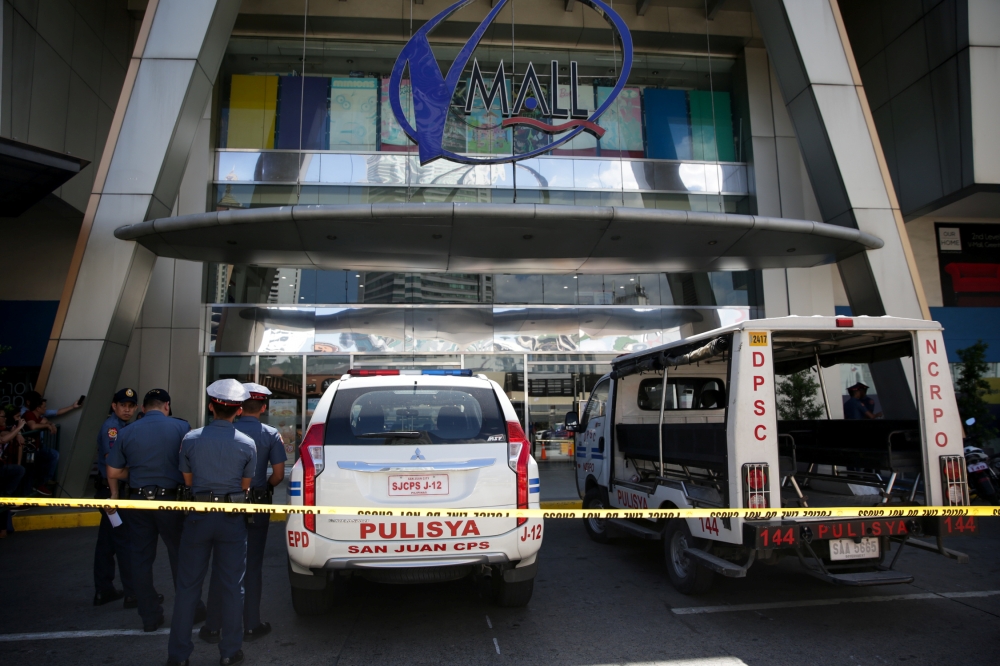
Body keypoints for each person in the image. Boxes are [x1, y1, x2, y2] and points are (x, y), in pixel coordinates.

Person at [167, 379, 256, 666]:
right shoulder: (247, 443)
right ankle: (230, 652)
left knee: (188, 587)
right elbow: (245, 486)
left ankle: (178, 656)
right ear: (239, 411)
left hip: (198, 516)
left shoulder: (191, 439)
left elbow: (188, 480)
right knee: (232, 586)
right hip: (231, 518)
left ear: (210, 406)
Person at [106, 389, 204, 632]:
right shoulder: (182, 428)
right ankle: (190, 611)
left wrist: (129, 482)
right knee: (180, 556)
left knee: (140, 558)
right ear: (167, 406)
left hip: (138, 502)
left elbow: (114, 472)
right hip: (170, 501)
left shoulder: (127, 432)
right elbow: (191, 467)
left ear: (143, 408)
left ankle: (149, 616)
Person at [200, 382, 286, 644]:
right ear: (264, 407)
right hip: (257, 504)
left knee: (222, 565)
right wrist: (265, 489)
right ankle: (251, 623)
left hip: (225, 505)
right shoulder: (271, 434)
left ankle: (213, 625)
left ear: (237, 406)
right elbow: (279, 475)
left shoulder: (226, 429)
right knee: (253, 566)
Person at [92, 388, 138, 608]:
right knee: (124, 541)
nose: (127, 409)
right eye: (123, 405)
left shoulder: (123, 426)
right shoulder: (113, 428)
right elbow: (112, 463)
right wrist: (115, 495)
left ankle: (104, 589)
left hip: (110, 491)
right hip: (113, 491)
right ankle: (132, 593)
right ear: (114, 406)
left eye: (130, 406)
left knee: (107, 541)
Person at [20, 392, 79, 495]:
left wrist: (50, 424)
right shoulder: (28, 414)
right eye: (44, 407)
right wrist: (47, 426)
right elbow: (33, 426)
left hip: (36, 448)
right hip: (28, 450)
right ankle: (25, 497)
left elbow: (45, 420)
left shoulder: (37, 415)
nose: (46, 408)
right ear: (38, 408)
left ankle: (40, 483)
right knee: (29, 472)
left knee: (51, 456)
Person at [0, 410, 29, 538]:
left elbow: (7, 434)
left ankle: (4, 529)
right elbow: (3, 439)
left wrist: (18, 432)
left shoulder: (4, 428)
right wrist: (18, 429)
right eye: (2, 416)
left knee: (4, 497)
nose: (4, 418)